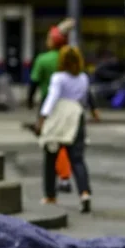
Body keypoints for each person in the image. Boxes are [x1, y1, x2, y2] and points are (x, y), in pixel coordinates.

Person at [35, 46, 98, 213]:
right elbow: (85, 99)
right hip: (77, 116)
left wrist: (42, 117)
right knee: (77, 158)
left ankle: (50, 195)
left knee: (50, 156)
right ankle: (84, 193)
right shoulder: (84, 78)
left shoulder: (58, 78)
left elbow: (52, 97)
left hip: (59, 116)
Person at [29, 19, 77, 193]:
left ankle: (52, 186)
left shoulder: (43, 59)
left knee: (51, 143)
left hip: (47, 105)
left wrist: (29, 100)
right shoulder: (69, 57)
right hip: (69, 105)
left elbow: (34, 82)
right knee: (65, 142)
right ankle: (64, 177)